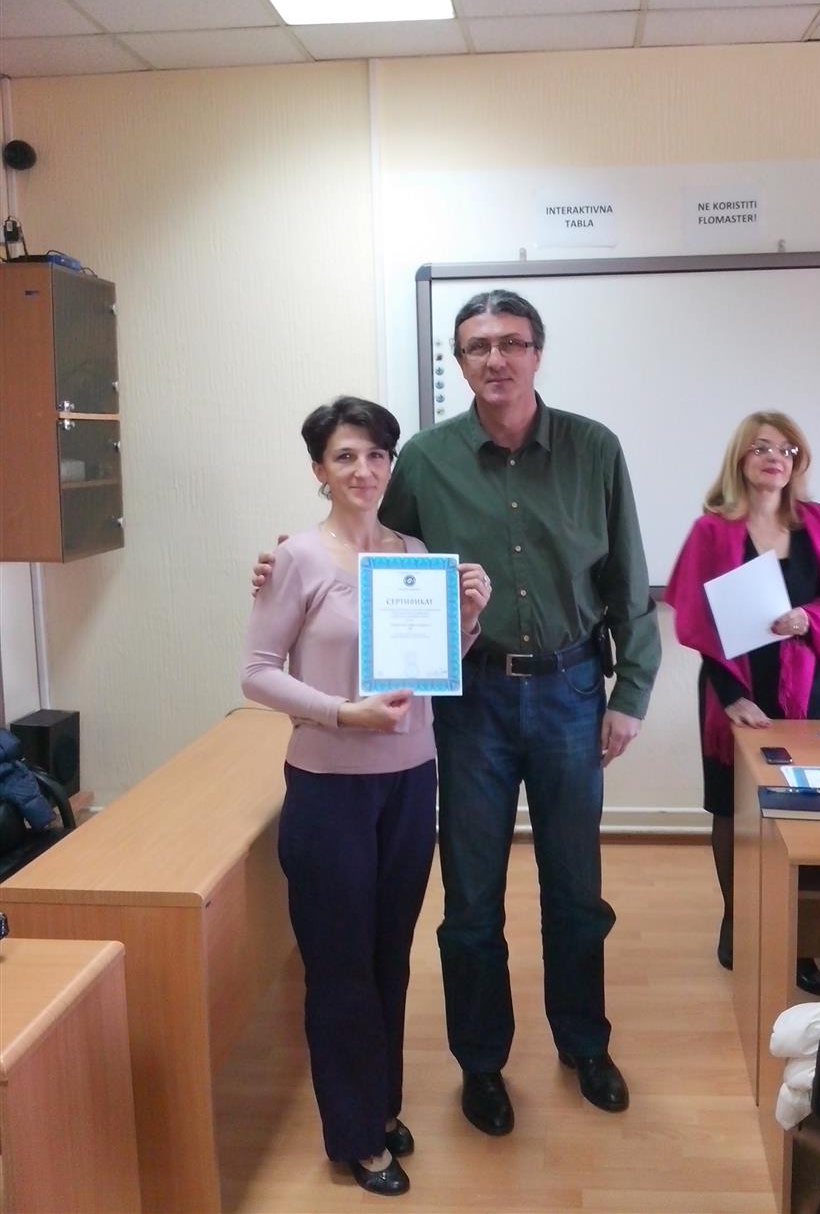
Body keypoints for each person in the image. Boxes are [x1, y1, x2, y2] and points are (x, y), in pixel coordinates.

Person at [254, 289, 661, 1135]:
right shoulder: (426, 459)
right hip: (470, 699)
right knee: (471, 898)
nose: (495, 358)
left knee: (576, 888)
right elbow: (370, 544)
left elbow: (627, 580)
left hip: (571, 692)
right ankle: (481, 1062)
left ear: (538, 351)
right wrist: (287, 560)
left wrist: (629, 694)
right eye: (478, 346)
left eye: (512, 342)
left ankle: (584, 1041)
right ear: (460, 360)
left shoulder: (593, 449)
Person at [241, 395, 489, 1197]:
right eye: (345, 455)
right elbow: (256, 672)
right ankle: (356, 1137)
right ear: (319, 469)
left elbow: (429, 667)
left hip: (411, 781)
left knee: (389, 954)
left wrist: (468, 616)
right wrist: (340, 712)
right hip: (329, 789)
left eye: (377, 454)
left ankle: (378, 1105)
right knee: (341, 964)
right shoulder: (296, 559)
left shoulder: (412, 553)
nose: (364, 469)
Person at [663, 411, 820, 992]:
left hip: (805, 688)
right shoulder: (712, 531)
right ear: (741, 460)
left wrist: (810, 618)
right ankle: (738, 920)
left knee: (800, 809)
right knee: (732, 808)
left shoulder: (817, 522)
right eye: (762, 448)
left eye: (787, 450)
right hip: (734, 690)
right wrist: (730, 697)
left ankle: (797, 930)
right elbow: (697, 620)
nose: (776, 458)